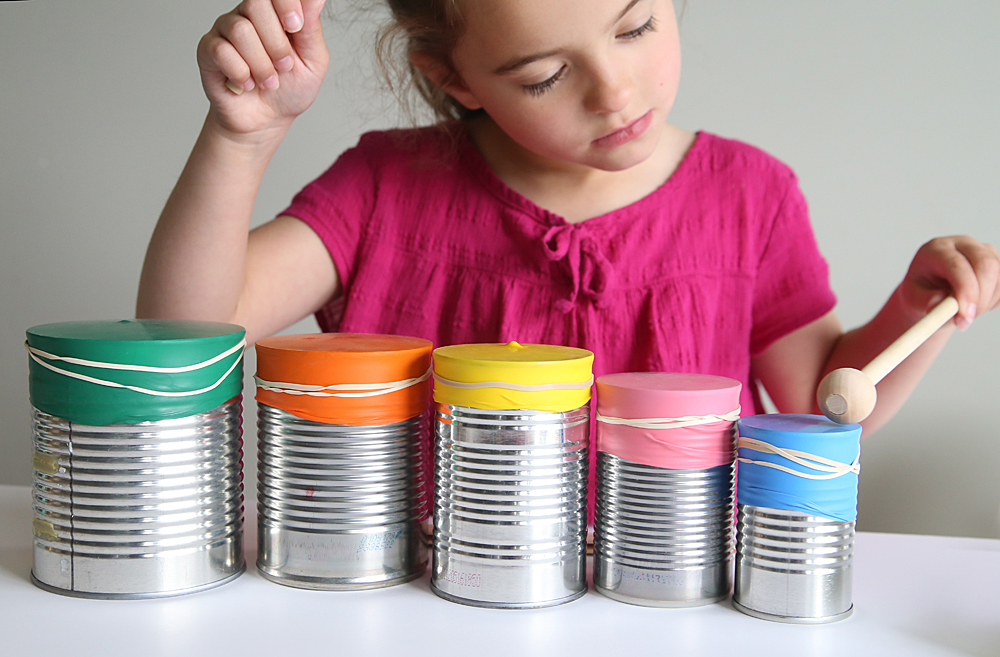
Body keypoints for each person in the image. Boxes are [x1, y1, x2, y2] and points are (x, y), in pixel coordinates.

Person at [138, 0, 999, 438]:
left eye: (634, 26)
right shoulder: (385, 189)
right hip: (421, 604)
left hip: (668, 605)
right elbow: (183, 335)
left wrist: (914, 314)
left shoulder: (751, 195)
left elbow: (825, 399)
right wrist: (239, 140)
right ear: (455, 79)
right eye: (546, 75)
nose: (616, 92)